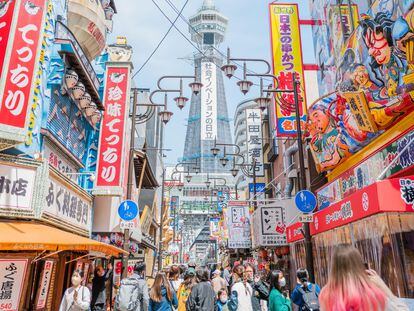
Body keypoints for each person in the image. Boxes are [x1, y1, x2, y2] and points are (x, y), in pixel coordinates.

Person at [319, 244, 409, 311]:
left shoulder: (326, 296)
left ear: (334, 268)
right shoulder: (373, 295)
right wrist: (384, 287)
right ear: (359, 265)